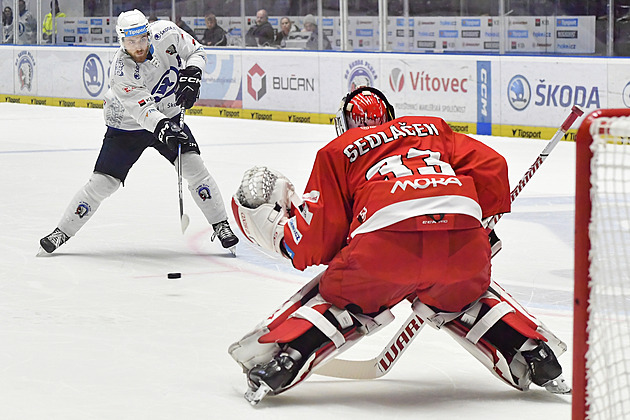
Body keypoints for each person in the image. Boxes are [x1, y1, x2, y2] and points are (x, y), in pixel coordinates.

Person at [228, 87, 570, 404]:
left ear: (344, 123)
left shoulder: (337, 151)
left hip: (383, 248)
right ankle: (531, 350)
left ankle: (286, 357)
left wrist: (289, 242)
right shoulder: (432, 129)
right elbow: (493, 167)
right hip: (462, 236)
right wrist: (477, 221)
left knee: (344, 294)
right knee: (461, 288)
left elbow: (318, 238)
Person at [38, 9, 239, 256]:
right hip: (127, 126)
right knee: (102, 184)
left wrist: (193, 74)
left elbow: (196, 51)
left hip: (168, 115)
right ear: (121, 41)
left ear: (148, 32)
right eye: (131, 42)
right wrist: (163, 127)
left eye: (142, 39)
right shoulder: (120, 71)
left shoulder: (167, 32)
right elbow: (142, 111)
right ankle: (62, 232)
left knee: (195, 167)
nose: (138, 46)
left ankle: (221, 225)